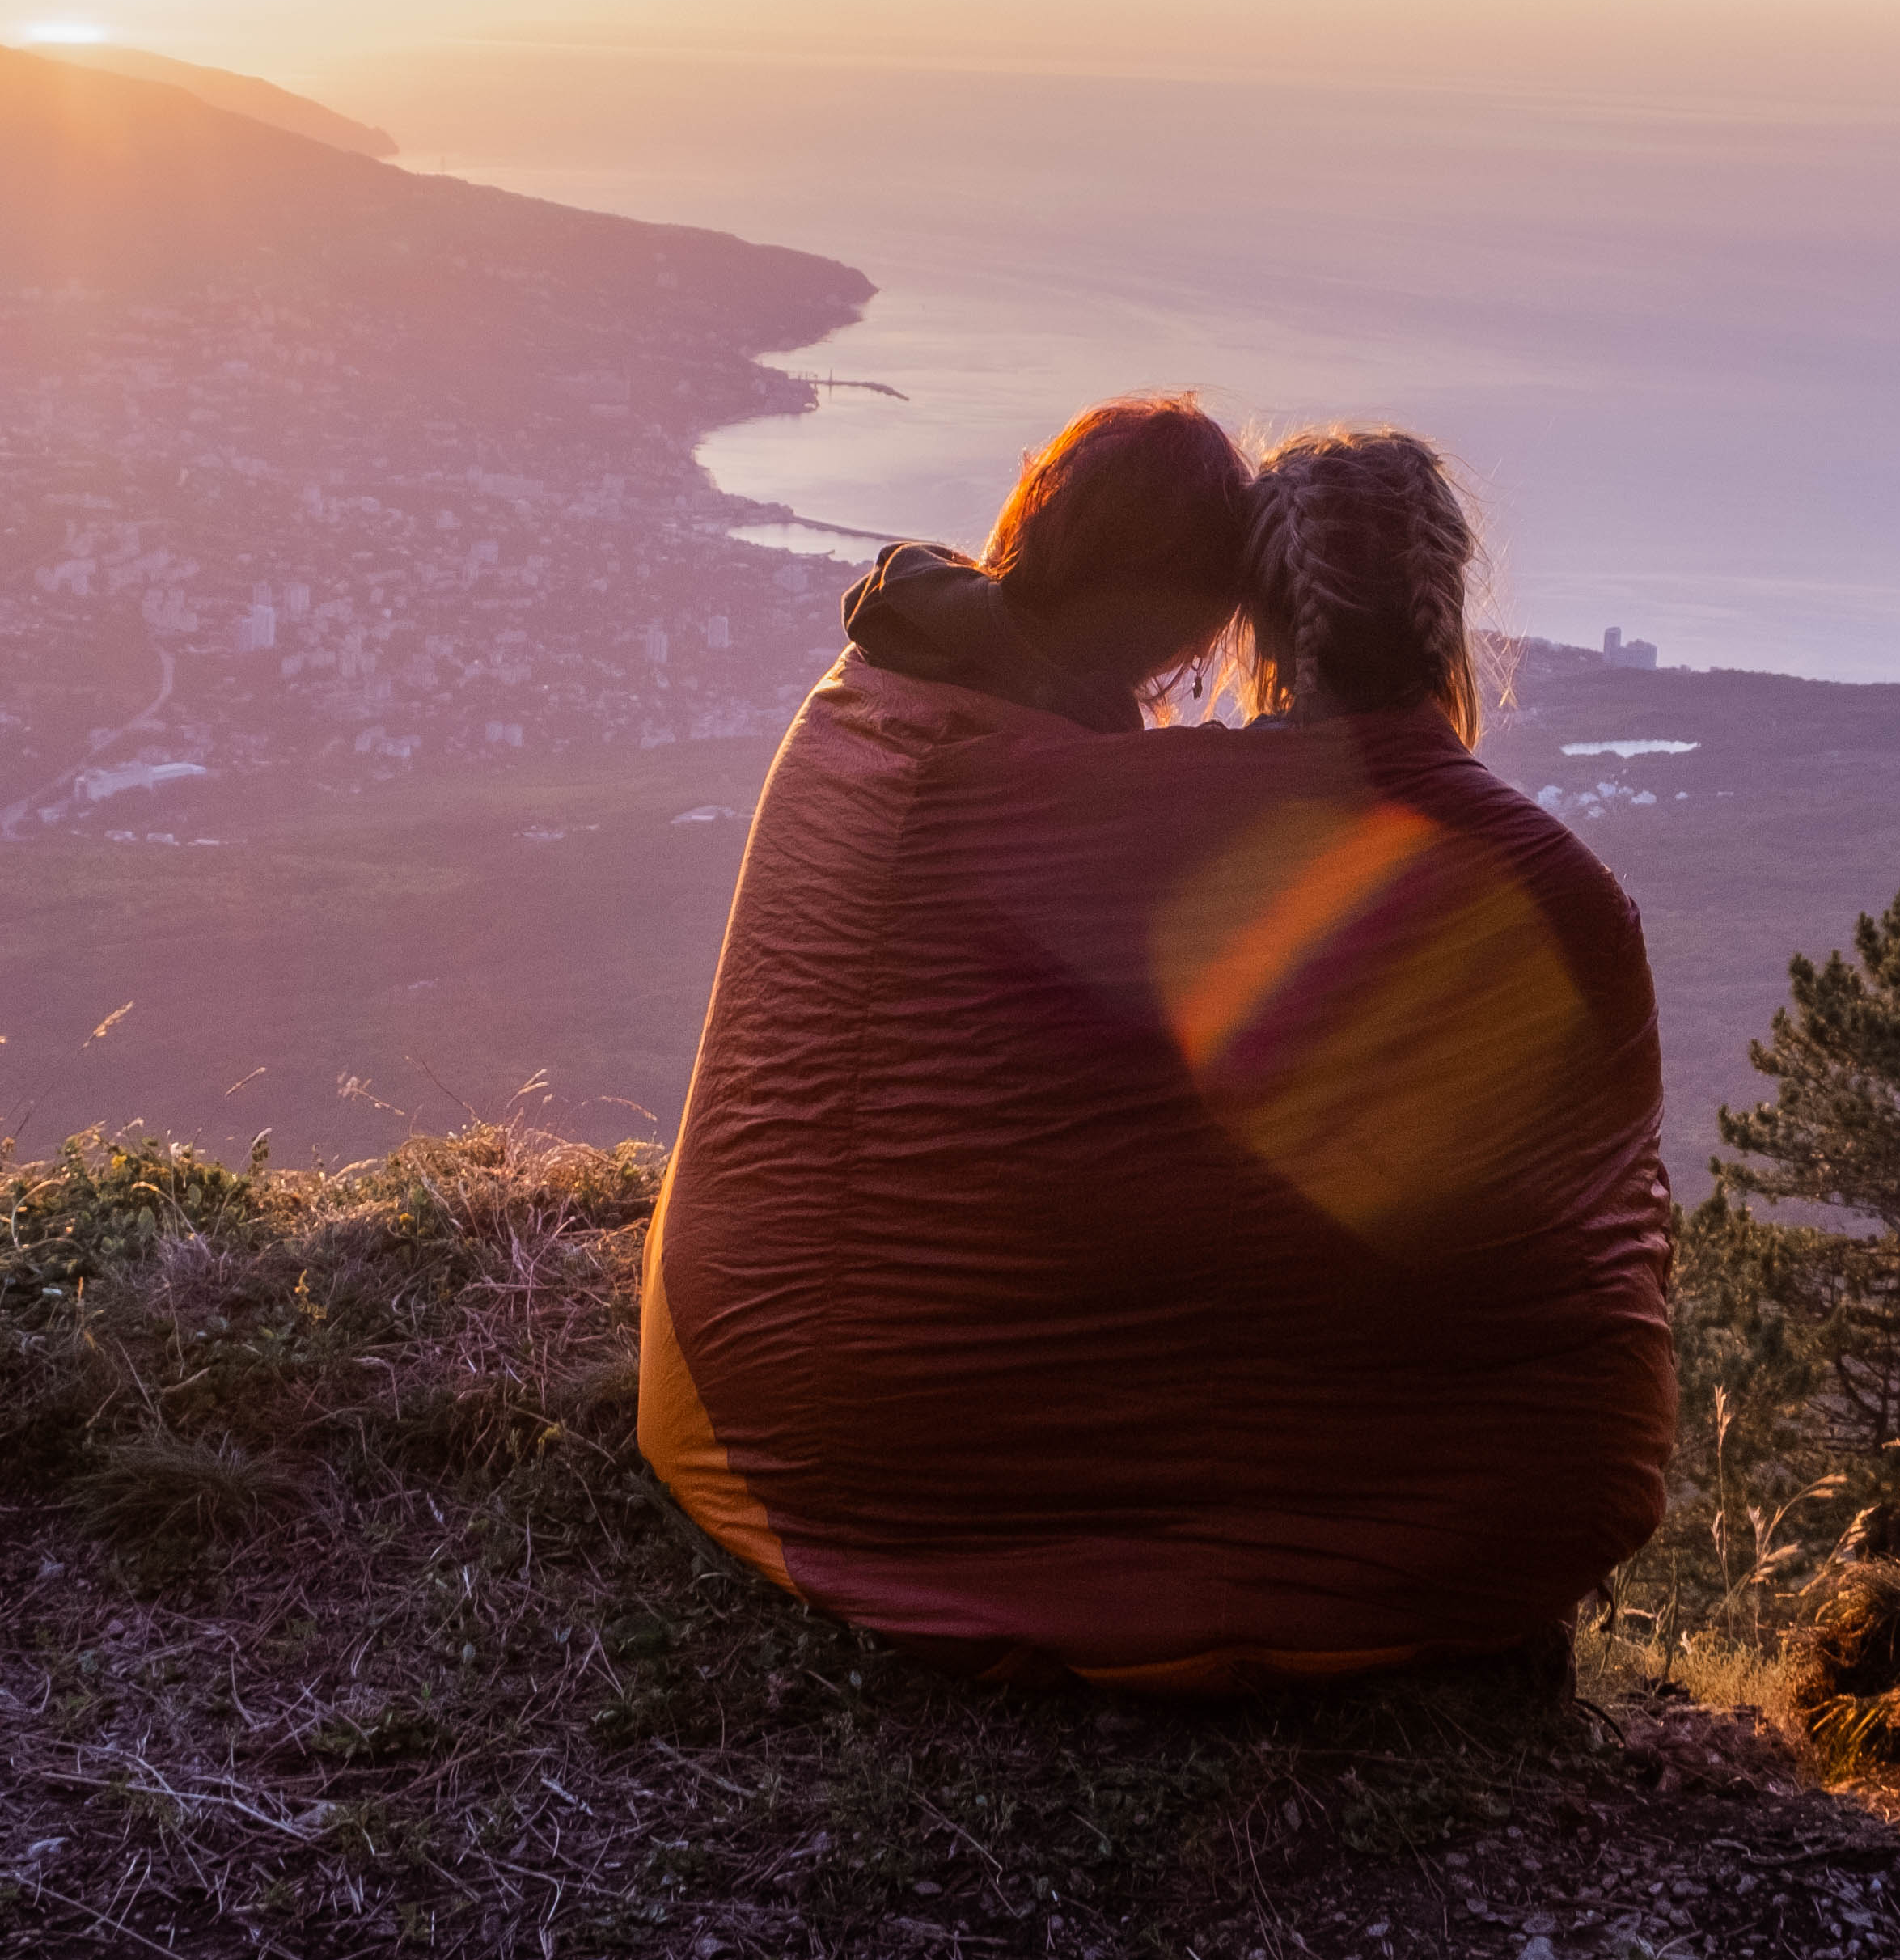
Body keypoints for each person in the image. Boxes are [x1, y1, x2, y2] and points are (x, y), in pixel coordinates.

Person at [637, 413, 1672, 1690]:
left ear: (1252, 626)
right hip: (1501, 1540)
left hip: (821, 1454)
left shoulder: (991, 770)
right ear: (1448, 616)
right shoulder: (1568, 894)